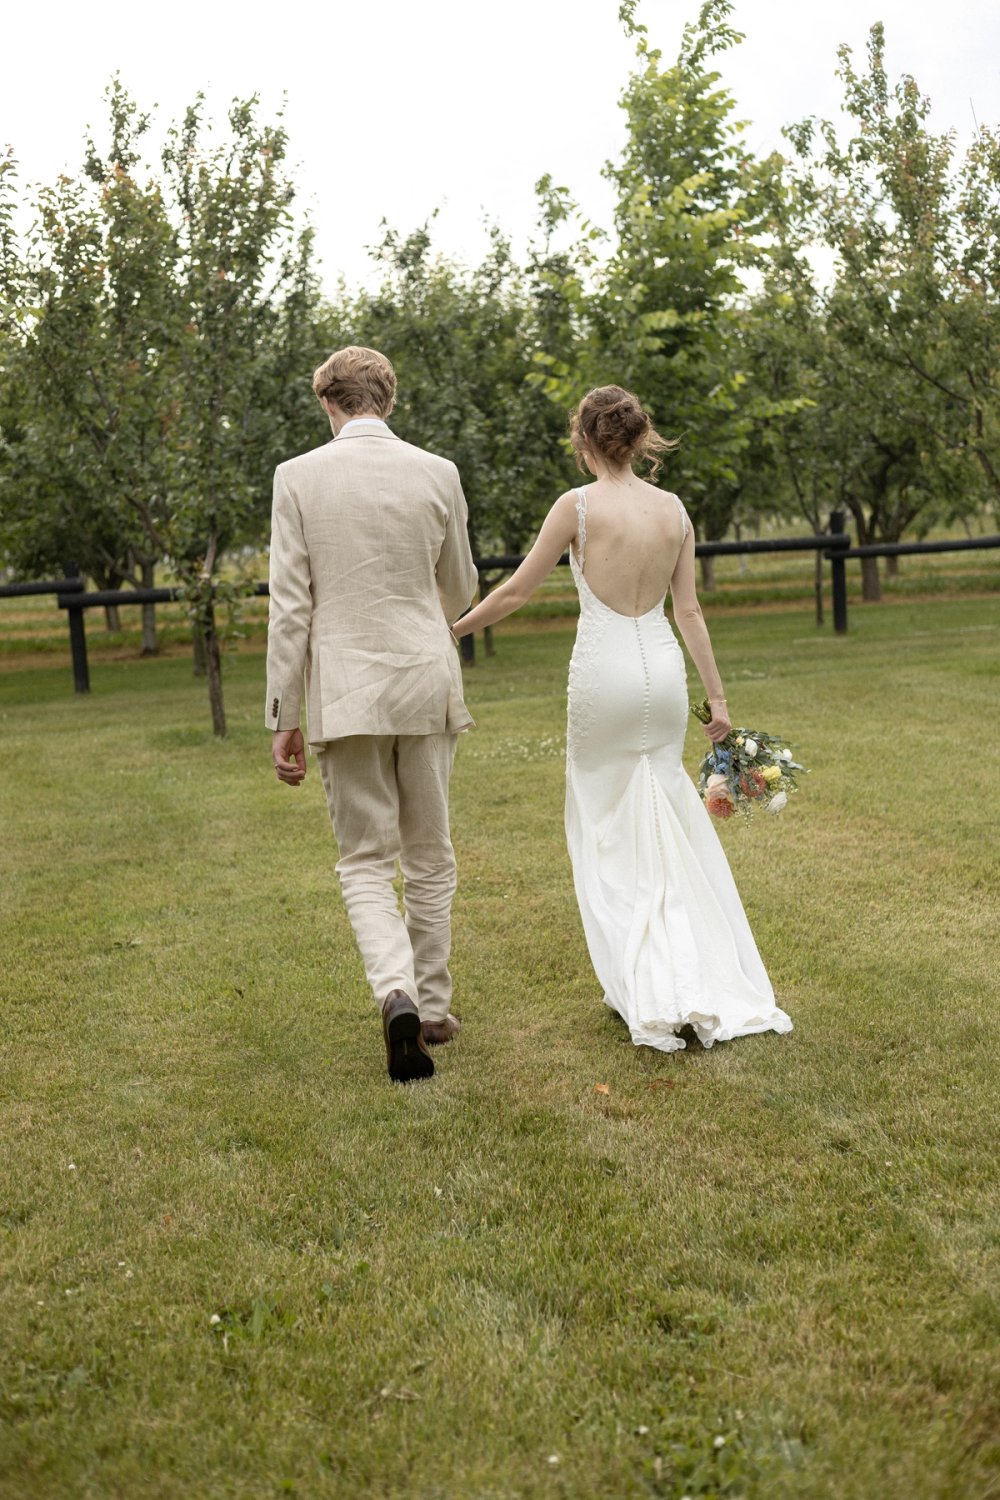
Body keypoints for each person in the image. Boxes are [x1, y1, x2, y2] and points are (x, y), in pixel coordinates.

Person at [451, 386, 792, 1052]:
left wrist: (453, 630)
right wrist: (717, 701)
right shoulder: (672, 510)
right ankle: (692, 971)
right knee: (668, 821)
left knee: (606, 828)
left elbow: (519, 589)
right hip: (662, 673)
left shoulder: (576, 507)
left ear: (583, 439)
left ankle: (644, 983)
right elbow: (689, 612)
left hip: (604, 676)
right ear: (639, 438)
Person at [266, 346, 478, 1082]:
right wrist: (427, 625)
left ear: (328, 402)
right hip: (423, 676)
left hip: (344, 688)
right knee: (430, 851)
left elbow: (291, 610)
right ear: (388, 400)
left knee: (364, 858)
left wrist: (281, 713)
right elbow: (460, 587)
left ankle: (397, 991)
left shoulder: (295, 478)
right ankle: (437, 1007)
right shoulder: (439, 472)